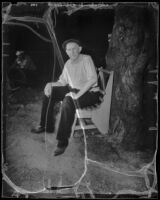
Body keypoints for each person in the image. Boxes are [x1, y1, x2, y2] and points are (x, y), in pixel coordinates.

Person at [31, 39, 102, 156]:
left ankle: (62, 142)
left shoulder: (86, 59)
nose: (72, 52)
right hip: (74, 90)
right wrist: (49, 84)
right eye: (69, 50)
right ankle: (44, 125)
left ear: (80, 49)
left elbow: (93, 79)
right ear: (66, 52)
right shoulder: (68, 63)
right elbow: (62, 81)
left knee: (68, 100)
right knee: (50, 92)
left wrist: (77, 95)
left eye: (74, 49)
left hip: (90, 93)